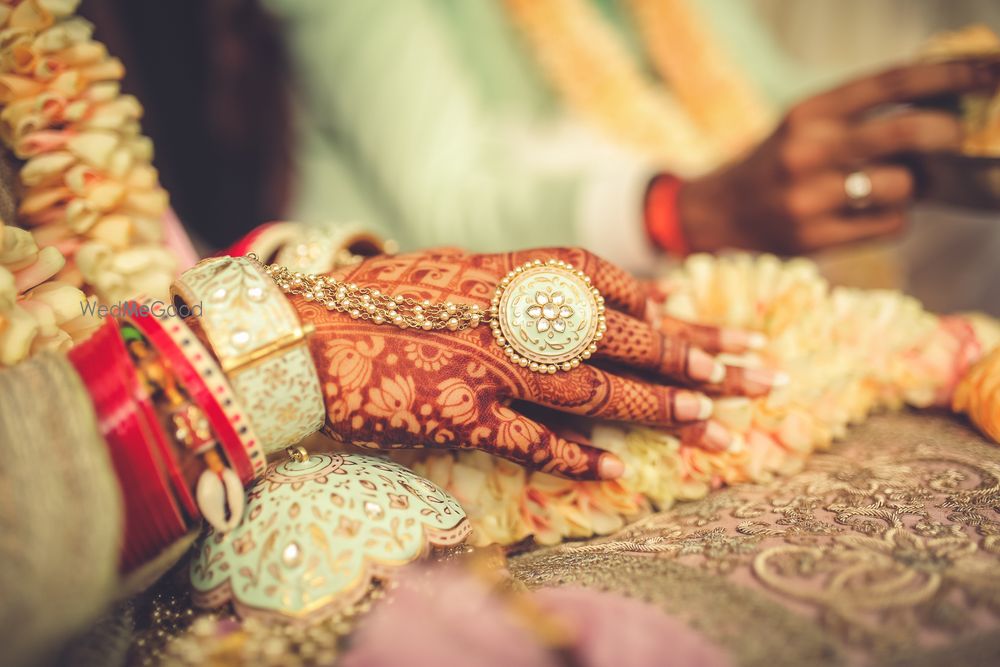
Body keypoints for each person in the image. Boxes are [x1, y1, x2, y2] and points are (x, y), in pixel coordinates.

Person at [262, 0, 1000, 277]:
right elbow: (448, 206)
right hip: (426, 315)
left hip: (686, 291)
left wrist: (946, 92)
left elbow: (763, 101)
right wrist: (684, 210)